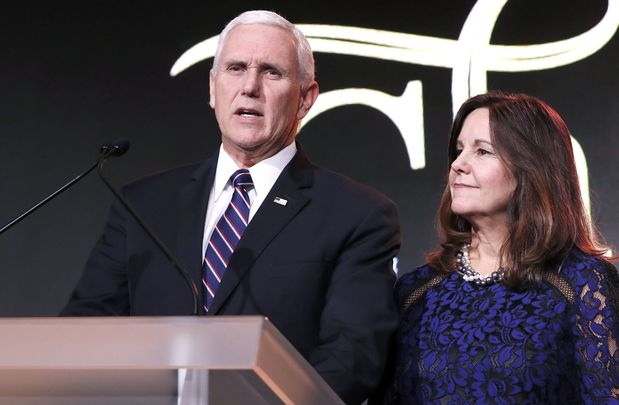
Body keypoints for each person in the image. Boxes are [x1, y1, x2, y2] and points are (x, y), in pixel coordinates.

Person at [60, 10, 400, 405]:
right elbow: (83, 331)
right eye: (236, 68)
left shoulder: (357, 215)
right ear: (212, 87)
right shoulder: (143, 205)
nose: (250, 86)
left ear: (306, 98)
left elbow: (351, 358)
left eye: (272, 72)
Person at [373, 91, 619, 404]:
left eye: (483, 152)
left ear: (530, 168)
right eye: (459, 150)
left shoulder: (581, 283)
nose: (458, 165)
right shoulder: (416, 290)